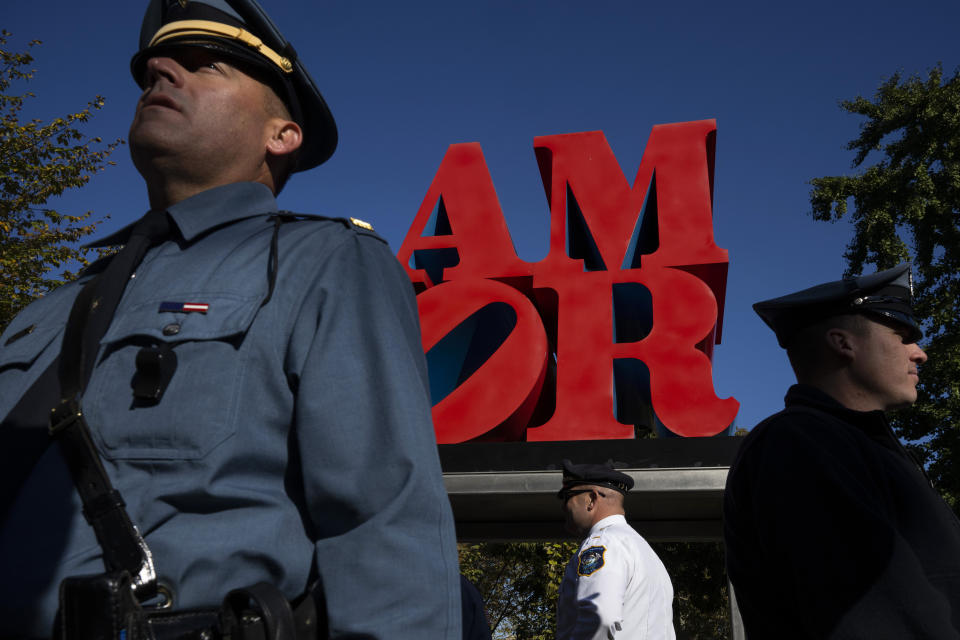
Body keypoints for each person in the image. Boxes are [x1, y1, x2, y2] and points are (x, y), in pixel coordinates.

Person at [0, 1, 461, 638]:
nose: (159, 70)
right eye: (155, 69)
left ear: (281, 135)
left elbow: (383, 522)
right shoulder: (48, 310)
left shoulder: (323, 263)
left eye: (203, 65)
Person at [724, 264, 960, 638]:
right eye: (901, 336)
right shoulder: (800, 444)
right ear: (844, 343)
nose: (920, 354)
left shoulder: (856, 446)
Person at [556, 459, 676, 640]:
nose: (563, 507)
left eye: (567, 497)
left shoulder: (602, 543)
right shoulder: (642, 549)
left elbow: (599, 617)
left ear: (591, 499)